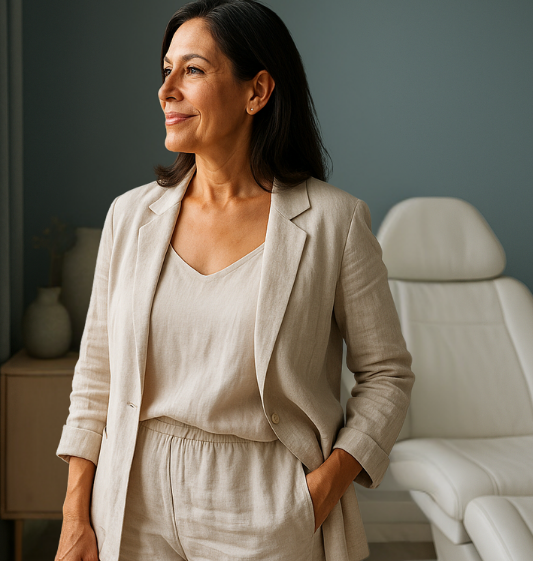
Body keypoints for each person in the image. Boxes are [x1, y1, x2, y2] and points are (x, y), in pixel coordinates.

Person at [54, 1, 413, 560]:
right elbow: (96, 373)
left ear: (257, 91)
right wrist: (76, 514)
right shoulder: (129, 217)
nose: (166, 90)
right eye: (166, 70)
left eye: (193, 70)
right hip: (131, 496)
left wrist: (319, 493)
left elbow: (387, 373)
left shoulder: (333, 222)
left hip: (265, 500)